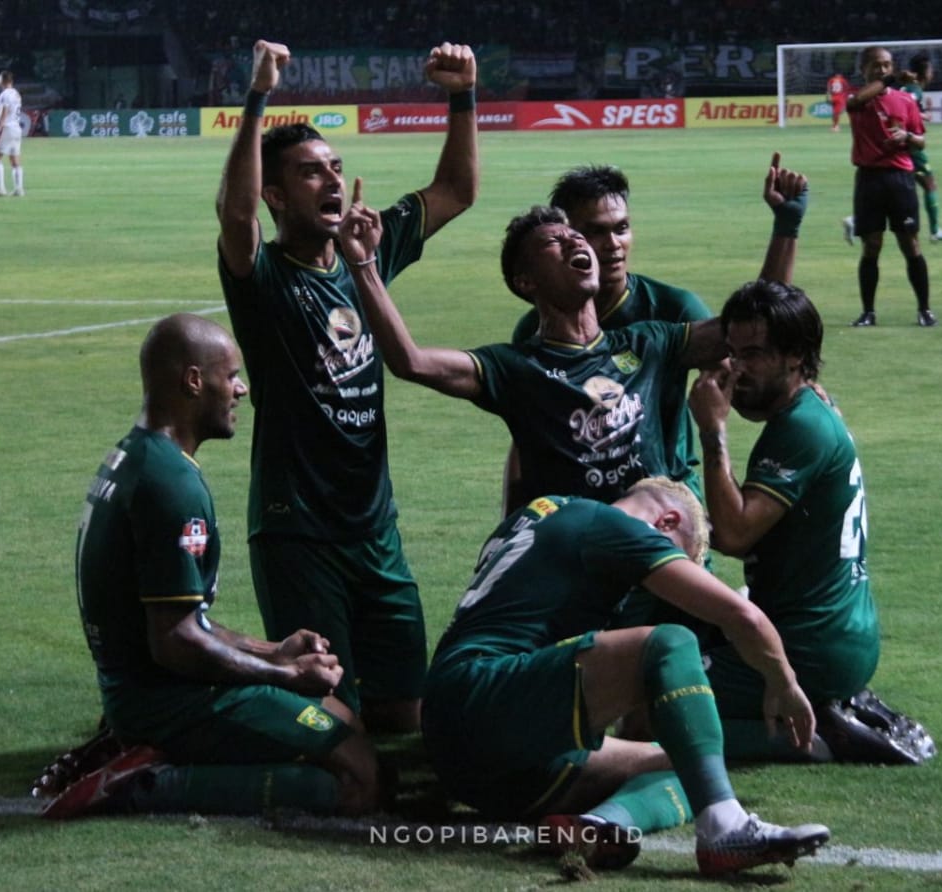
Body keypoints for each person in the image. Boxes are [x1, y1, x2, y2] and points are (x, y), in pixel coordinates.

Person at [216, 39, 479, 732]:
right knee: (331, 719)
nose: (332, 181)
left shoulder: (368, 250)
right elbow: (235, 219)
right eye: (309, 174)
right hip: (298, 530)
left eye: (335, 167)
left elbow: (455, 192)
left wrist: (462, 97)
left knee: (404, 714)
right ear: (276, 195)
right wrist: (257, 98)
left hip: (375, 528)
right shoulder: (263, 280)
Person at [39, 313, 379, 820]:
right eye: (231, 376)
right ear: (194, 381)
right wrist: (283, 678)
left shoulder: (136, 456)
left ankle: (147, 750)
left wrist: (276, 652)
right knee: (359, 781)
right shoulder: (171, 484)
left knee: (345, 720)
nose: (241, 389)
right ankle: (146, 782)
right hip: (166, 700)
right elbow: (174, 642)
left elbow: (181, 617)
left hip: (145, 687)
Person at [336, 156, 805, 515]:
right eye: (579, 233)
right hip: (574, 535)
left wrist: (786, 227)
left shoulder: (656, 330)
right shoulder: (525, 353)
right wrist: (514, 526)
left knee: (720, 625)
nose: (607, 244)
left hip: (664, 512)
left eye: (620, 229)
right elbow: (523, 432)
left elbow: (755, 327)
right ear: (528, 282)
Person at [421, 477, 830, 875]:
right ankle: (726, 828)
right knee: (670, 643)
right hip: (481, 693)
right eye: (671, 554)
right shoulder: (609, 525)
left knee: (688, 760)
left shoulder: (543, 512)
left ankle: (597, 826)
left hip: (468, 755)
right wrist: (785, 683)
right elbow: (741, 616)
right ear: (666, 522)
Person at [687, 280, 936, 764]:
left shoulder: (799, 428)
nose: (738, 370)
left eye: (755, 354)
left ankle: (816, 735)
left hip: (811, 646)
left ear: (797, 355)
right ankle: (831, 705)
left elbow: (736, 534)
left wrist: (712, 431)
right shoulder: (813, 406)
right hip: (840, 634)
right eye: (733, 353)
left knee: (659, 705)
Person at [503, 165, 714, 516]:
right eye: (596, 232)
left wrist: (802, 384)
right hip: (579, 505)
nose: (614, 244)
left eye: (622, 228)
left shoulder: (672, 308)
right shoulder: (534, 330)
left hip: (667, 496)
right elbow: (528, 441)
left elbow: (745, 353)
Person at [842, 46, 935, 328]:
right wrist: (891, 80)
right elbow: (858, 98)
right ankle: (868, 312)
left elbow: (921, 140)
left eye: (886, 65)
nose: (882, 69)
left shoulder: (905, 101)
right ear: (863, 69)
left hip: (899, 180)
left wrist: (907, 136)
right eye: (876, 65)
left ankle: (925, 309)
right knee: (871, 246)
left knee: (910, 244)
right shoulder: (857, 100)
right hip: (869, 178)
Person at [902, 54, 942, 242]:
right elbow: (905, 103)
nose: (932, 73)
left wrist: (921, 115)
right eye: (931, 69)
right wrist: (918, 115)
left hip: (901, 145)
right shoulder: (914, 89)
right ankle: (934, 232)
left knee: (895, 190)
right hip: (911, 146)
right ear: (924, 72)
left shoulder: (908, 87)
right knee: (930, 184)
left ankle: (856, 220)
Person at [0, 70, 24, 197]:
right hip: (16, 129)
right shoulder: (16, 94)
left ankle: (0, 189)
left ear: (2, 80)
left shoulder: (4, 95)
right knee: (15, 160)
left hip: (7, 128)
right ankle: (19, 189)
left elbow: (3, 114)